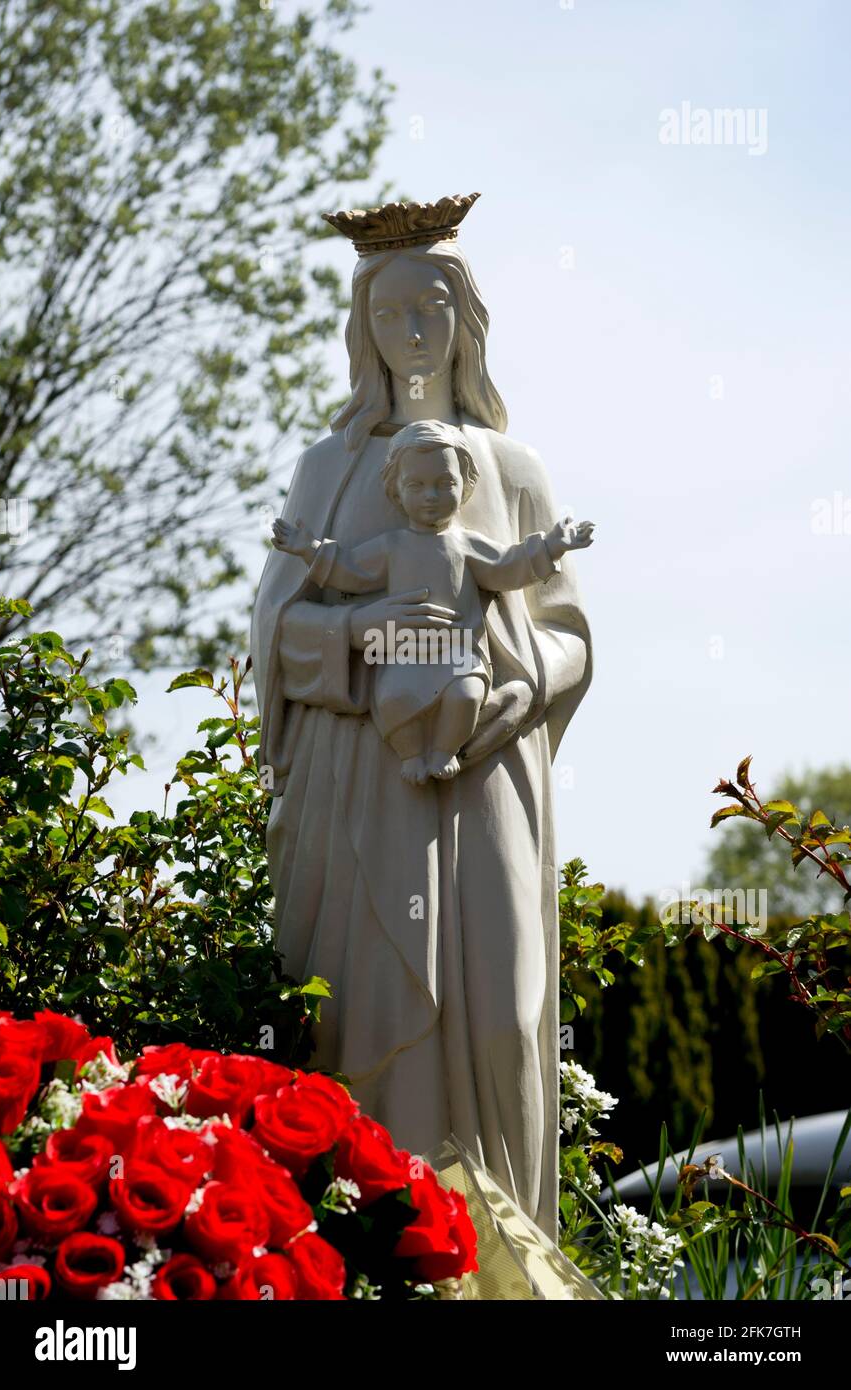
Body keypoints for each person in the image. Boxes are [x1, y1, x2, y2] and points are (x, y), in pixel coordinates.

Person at [250, 194, 593, 1240]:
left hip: (487, 769)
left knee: (507, 1012)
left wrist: (518, 684)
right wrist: (366, 638)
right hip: (358, 786)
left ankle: (503, 1248)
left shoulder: (514, 469)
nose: (408, 333)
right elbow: (275, 628)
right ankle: (378, 1246)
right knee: (364, 1021)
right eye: (386, 314)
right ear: (361, 329)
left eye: (428, 309)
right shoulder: (328, 468)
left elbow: (569, 628)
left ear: (463, 319)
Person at [272, 418, 594, 784]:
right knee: (394, 699)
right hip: (405, 652)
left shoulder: (467, 545)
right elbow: (351, 571)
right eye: (417, 485)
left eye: (445, 485)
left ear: (465, 487)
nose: (430, 496)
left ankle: (443, 752)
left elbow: (508, 567)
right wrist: (308, 550)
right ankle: (411, 754)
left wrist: (552, 546)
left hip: (461, 652)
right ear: (395, 491)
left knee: (467, 695)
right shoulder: (391, 546)